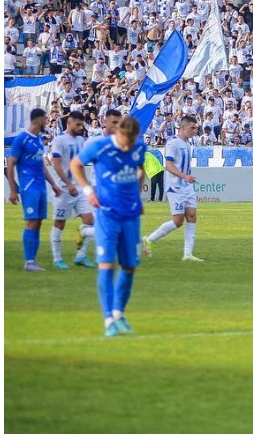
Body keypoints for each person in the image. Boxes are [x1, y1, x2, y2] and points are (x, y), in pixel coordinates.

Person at [70, 115, 148, 337]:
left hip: (131, 214)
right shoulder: (100, 147)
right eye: (126, 141)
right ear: (119, 132)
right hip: (106, 214)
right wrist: (88, 191)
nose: (128, 146)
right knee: (106, 265)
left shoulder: (139, 147)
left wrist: (137, 194)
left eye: (132, 142)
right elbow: (75, 164)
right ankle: (107, 321)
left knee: (130, 266)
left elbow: (140, 169)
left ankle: (118, 314)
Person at [6, 108, 62, 271]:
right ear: (38, 120)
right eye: (45, 119)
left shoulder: (38, 139)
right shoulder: (22, 139)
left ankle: (33, 261)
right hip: (29, 186)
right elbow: (10, 165)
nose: (47, 122)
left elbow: (42, 165)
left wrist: (53, 184)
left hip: (40, 187)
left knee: (37, 223)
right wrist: (13, 190)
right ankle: (28, 262)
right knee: (31, 222)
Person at [143, 116, 203, 261]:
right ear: (183, 128)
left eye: (195, 128)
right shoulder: (173, 143)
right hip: (175, 186)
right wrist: (185, 176)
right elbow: (169, 165)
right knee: (177, 221)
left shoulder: (187, 144)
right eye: (192, 128)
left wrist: (186, 179)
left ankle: (188, 254)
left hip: (186, 186)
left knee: (192, 216)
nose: (195, 131)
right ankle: (150, 239)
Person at [49, 110, 95, 269]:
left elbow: (80, 165)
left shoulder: (81, 140)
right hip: (63, 189)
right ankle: (57, 258)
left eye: (82, 124)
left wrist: (86, 183)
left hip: (80, 189)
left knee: (90, 220)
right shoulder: (59, 140)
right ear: (69, 122)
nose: (81, 127)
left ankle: (81, 256)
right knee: (60, 223)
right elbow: (56, 164)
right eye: (78, 124)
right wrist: (68, 183)